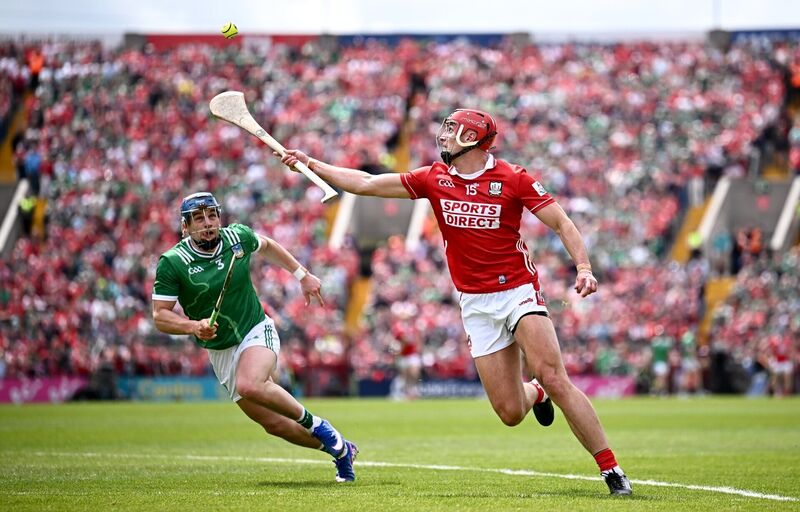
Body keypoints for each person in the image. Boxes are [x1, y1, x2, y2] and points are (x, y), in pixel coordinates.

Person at [280, 109, 632, 495]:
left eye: (453, 130)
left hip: (517, 290)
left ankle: (611, 470)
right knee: (511, 413)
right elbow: (365, 183)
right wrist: (311, 163)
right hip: (475, 303)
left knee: (554, 375)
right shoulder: (434, 177)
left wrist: (583, 267)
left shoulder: (513, 178)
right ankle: (537, 393)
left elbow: (562, 223)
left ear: (475, 139)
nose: (444, 136)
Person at [152, 192, 357, 482]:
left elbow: (269, 246)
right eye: (199, 219)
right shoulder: (173, 262)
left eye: (212, 216)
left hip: (256, 328)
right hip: (220, 349)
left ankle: (320, 426)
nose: (208, 223)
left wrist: (303, 275)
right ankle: (341, 451)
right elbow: (160, 315)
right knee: (275, 425)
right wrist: (193, 327)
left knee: (250, 384)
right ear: (185, 227)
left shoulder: (237, 238)